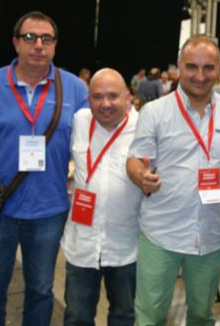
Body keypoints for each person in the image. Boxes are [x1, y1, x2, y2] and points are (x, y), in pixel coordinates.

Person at [0, 11, 88, 326]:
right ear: (16, 43)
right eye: (30, 37)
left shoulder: (74, 88)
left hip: (48, 210)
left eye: (46, 39)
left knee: (40, 290)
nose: (38, 45)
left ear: (55, 45)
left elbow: (92, 143)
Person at [126, 35, 220, 326]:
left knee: (202, 316)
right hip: (161, 233)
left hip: (210, 234)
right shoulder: (155, 111)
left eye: (208, 68)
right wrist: (141, 176)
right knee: (150, 316)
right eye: (192, 67)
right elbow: (134, 159)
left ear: (219, 68)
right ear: (179, 66)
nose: (200, 76)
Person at [61, 68, 142, 326]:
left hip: (126, 247)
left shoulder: (143, 128)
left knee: (124, 317)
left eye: (113, 96)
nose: (105, 103)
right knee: (77, 317)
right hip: (82, 243)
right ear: (89, 99)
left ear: (128, 97)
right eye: (97, 97)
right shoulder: (80, 121)